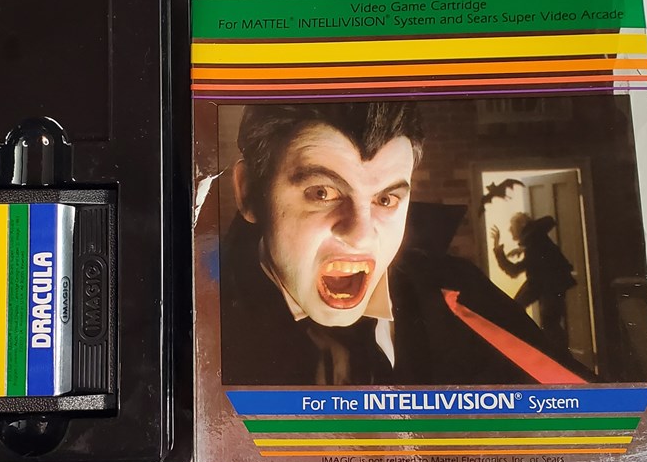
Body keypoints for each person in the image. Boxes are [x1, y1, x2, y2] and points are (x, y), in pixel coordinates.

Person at [219, 102, 588, 386]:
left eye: (385, 199)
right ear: (249, 193)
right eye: (322, 192)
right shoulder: (204, 339)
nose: (361, 235)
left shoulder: (461, 293)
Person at [491, 212, 577, 350]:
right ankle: (556, 353)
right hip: (548, 284)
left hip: (547, 285)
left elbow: (514, 270)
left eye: (512, 226)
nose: (510, 230)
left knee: (548, 323)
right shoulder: (534, 239)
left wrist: (498, 249)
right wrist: (523, 248)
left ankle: (556, 354)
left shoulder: (533, 242)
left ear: (521, 226)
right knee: (549, 323)